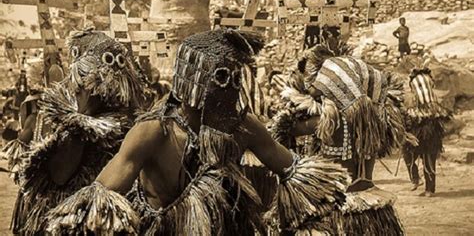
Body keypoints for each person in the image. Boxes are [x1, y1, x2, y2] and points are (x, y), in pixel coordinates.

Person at [45, 29, 349, 235]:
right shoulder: (153, 131)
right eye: (220, 76)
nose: (228, 86)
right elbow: (99, 201)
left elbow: (294, 172)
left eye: (233, 76)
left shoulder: (243, 125)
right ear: (193, 78)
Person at [7, 29, 151, 235]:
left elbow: (59, 175)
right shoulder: (129, 120)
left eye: (79, 84)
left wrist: (80, 118)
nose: (74, 87)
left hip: (83, 219)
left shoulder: (88, 125)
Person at [270, 43, 417, 234]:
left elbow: (279, 131)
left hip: (338, 210)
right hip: (373, 207)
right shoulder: (372, 119)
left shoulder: (328, 119)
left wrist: (294, 105)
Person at [403, 63, 450, 197]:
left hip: (429, 124)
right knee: (411, 153)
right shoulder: (421, 82)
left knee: (427, 156)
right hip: (421, 124)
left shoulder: (417, 81)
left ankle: (427, 187)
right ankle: (419, 181)